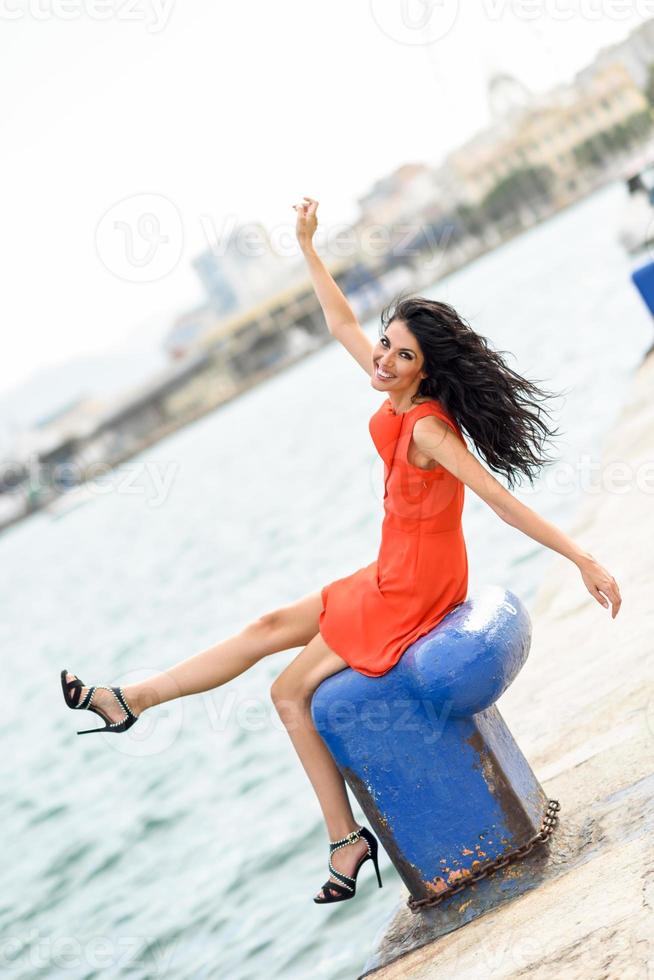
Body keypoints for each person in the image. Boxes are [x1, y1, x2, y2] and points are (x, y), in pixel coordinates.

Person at [61, 195, 622, 905]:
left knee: (286, 690)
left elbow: (498, 501)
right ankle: (128, 699)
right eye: (387, 344)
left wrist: (583, 559)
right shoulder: (391, 386)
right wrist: (307, 246)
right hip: (389, 571)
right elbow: (340, 321)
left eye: (401, 354)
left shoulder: (426, 429)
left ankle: (345, 841)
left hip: (415, 589)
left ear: (424, 370)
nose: (383, 358)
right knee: (263, 628)